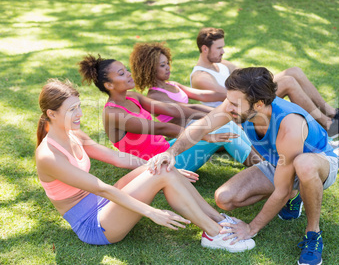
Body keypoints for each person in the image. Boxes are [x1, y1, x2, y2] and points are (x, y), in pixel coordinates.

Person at [35, 78, 255, 252]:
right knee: (163, 173)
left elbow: (117, 158)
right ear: (51, 114)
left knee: (163, 166)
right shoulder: (48, 156)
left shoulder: (73, 133)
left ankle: (219, 220)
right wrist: (152, 212)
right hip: (95, 224)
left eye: (79, 107)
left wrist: (163, 164)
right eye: (72, 110)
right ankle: (214, 233)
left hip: (102, 202)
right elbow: (101, 187)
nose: (79, 114)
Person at [147, 67, 339, 265]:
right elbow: (202, 125)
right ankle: (296, 194)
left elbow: (280, 190)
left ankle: (313, 233)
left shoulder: (289, 125)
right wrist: (171, 152)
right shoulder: (239, 108)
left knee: (303, 165)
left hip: (318, 162)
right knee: (224, 199)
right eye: (228, 100)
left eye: (234, 104)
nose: (228, 107)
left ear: (258, 104)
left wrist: (251, 228)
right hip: (280, 163)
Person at [78, 54, 257, 173]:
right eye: (121, 73)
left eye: (126, 69)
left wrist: (213, 114)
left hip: (168, 149)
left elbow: (173, 109)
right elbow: (162, 127)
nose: (128, 74)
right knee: (220, 130)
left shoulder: (132, 97)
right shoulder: (114, 113)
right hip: (159, 165)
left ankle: (261, 161)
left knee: (224, 123)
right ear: (109, 85)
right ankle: (263, 167)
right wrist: (205, 135)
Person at [190, 27, 339, 139]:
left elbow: (246, 75)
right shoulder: (200, 76)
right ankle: (328, 125)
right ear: (205, 49)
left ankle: (331, 113)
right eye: (219, 48)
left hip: (248, 99)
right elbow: (229, 97)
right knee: (287, 81)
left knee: (293, 71)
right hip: (238, 113)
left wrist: (261, 82)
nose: (223, 51)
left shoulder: (221, 64)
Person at [129, 42, 262, 167]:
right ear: (150, 69)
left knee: (232, 124)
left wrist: (234, 95)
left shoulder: (173, 85)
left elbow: (202, 95)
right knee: (227, 125)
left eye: (167, 63)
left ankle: (263, 158)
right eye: (162, 65)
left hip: (199, 124)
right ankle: (261, 166)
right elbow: (189, 109)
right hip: (189, 134)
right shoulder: (155, 96)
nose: (168, 67)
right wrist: (220, 114)